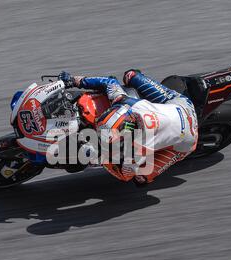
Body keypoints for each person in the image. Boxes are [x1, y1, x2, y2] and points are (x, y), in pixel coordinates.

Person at [59, 69, 198, 185]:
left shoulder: (139, 151)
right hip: (180, 105)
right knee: (130, 75)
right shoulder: (128, 103)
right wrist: (75, 80)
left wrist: (100, 158)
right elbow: (110, 82)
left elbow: (125, 175)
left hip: (187, 140)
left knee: (141, 178)